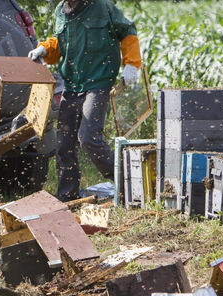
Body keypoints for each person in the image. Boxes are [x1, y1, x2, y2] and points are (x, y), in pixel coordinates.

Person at [29, 0, 141, 202]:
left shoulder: (102, 6)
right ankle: (67, 195)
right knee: (64, 145)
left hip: (98, 83)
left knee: (88, 137)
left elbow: (128, 30)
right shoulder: (60, 11)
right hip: (71, 85)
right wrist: (45, 49)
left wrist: (131, 64)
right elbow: (60, 42)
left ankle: (127, 181)